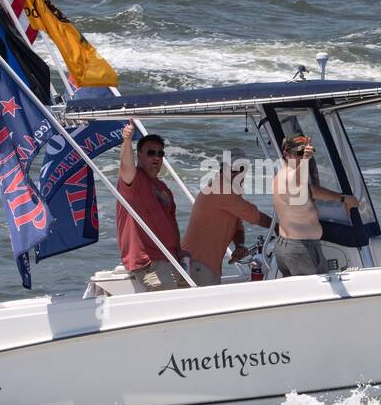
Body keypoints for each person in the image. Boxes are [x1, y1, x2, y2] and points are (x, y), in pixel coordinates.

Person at [271, 133, 359, 277]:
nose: (301, 157)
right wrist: (305, 160)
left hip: (289, 247)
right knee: (315, 294)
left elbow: (310, 190)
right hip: (301, 249)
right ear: (286, 154)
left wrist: (342, 198)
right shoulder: (289, 177)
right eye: (298, 153)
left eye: (304, 153)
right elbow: (298, 180)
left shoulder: (283, 175)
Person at [181, 151, 272, 287]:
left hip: (205, 264)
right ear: (223, 169)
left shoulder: (231, 190)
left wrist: (239, 246)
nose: (238, 174)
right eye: (234, 170)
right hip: (198, 263)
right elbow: (254, 216)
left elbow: (237, 225)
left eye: (242, 170)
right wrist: (279, 226)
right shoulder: (221, 189)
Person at [115, 124, 184, 290]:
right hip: (149, 262)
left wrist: (179, 252)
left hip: (170, 258)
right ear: (139, 155)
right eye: (151, 153)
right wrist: (127, 140)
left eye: (160, 154)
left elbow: (172, 223)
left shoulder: (163, 188)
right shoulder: (134, 180)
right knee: (168, 299)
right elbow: (126, 166)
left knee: (196, 288)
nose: (156, 157)